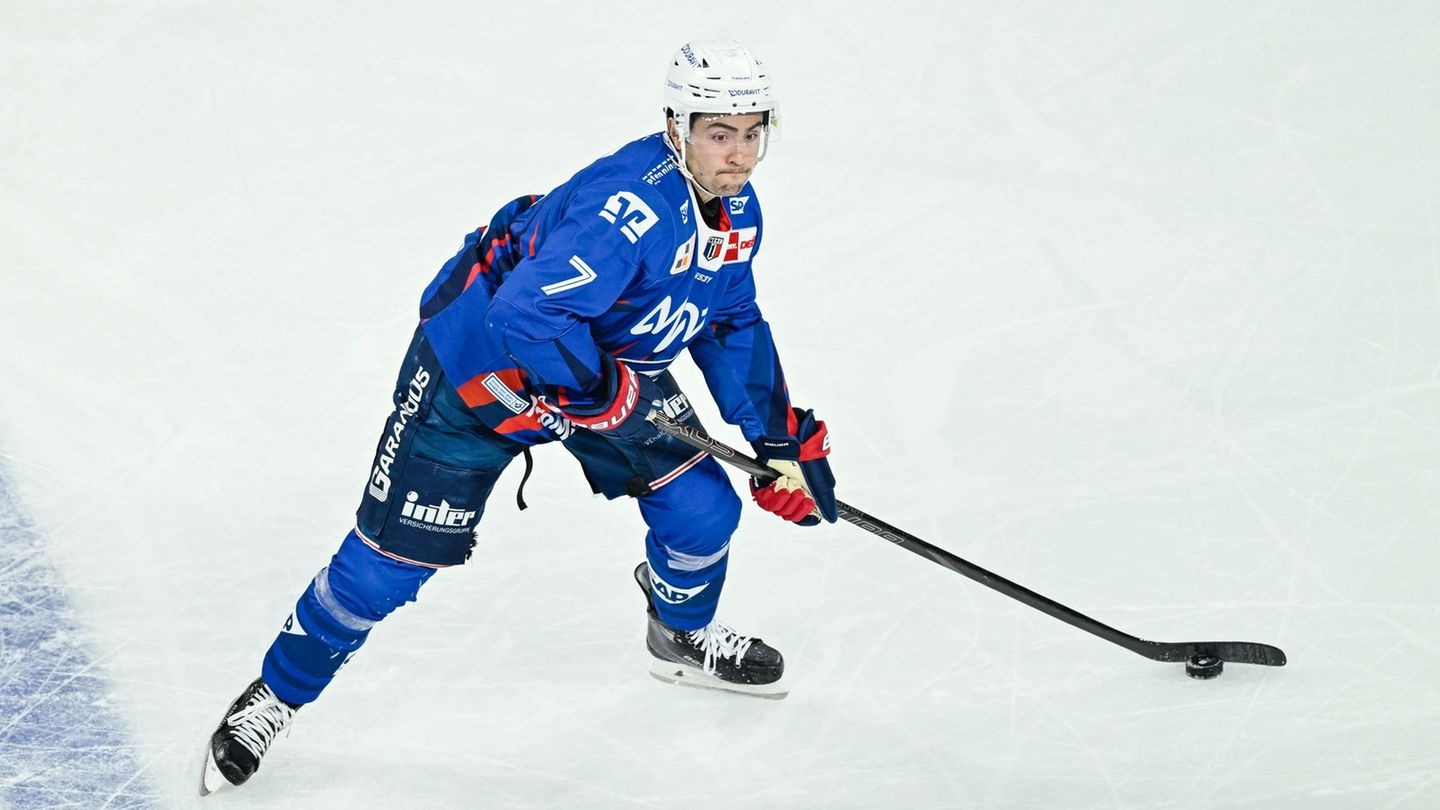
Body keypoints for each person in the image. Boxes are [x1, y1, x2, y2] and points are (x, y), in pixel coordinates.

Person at [199, 38, 838, 796]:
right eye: (720, 133)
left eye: (753, 132)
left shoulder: (736, 212)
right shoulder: (624, 212)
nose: (739, 154)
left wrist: (776, 437)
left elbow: (730, 319)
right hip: (480, 371)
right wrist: (601, 394)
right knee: (386, 567)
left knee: (702, 510)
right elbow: (524, 316)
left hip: (597, 364)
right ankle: (274, 696)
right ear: (677, 126)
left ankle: (680, 633)